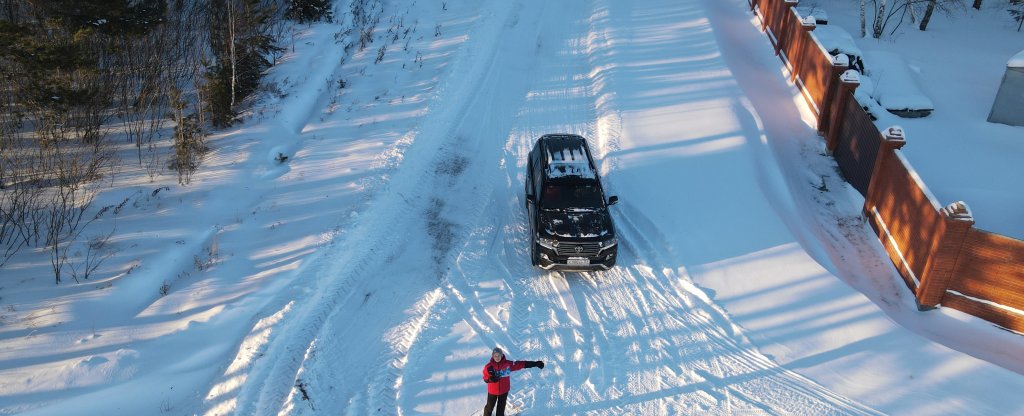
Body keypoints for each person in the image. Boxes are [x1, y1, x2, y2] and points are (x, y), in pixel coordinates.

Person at [481, 347, 544, 416]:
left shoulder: (508, 364)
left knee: (501, 409)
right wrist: (491, 379)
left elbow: (521, 364)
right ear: (493, 356)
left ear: (502, 355)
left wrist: (535, 364)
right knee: (489, 408)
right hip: (492, 391)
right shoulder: (488, 367)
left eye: (499, 355)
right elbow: (485, 378)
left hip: (504, 391)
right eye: (495, 355)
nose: (497, 357)